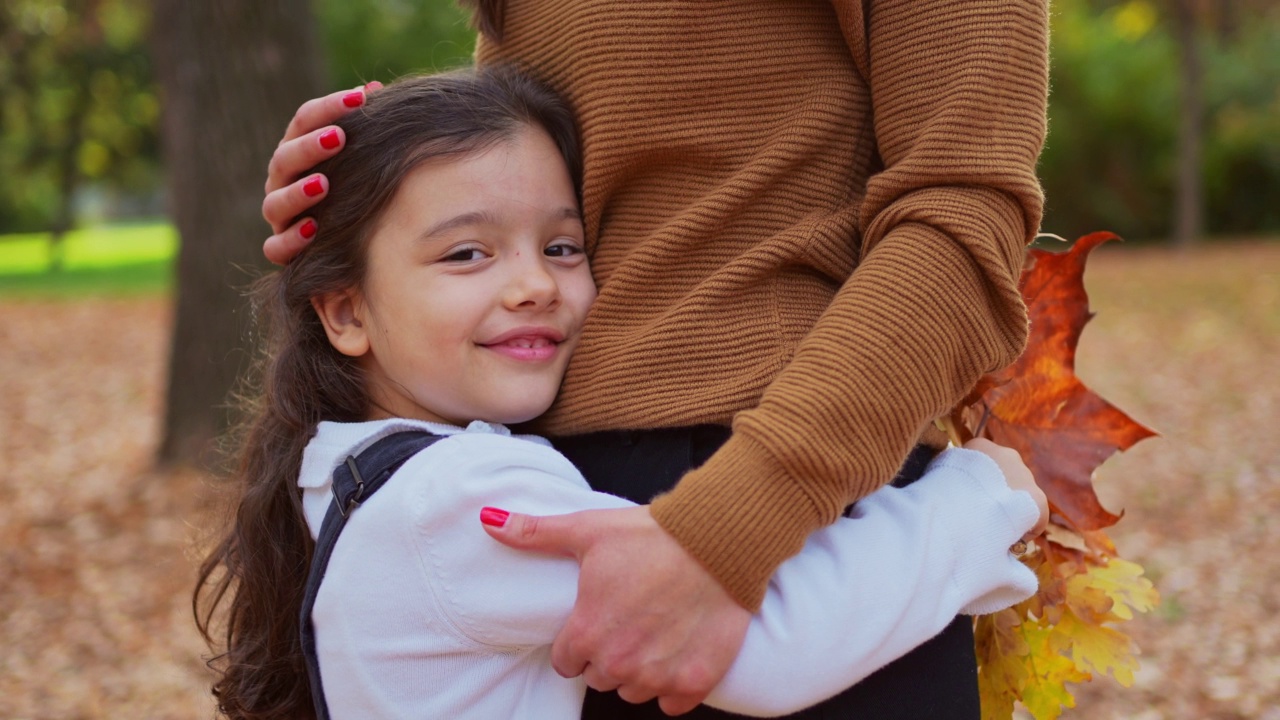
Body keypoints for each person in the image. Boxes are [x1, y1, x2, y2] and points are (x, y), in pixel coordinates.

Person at [259, 2, 1051, 716]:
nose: (532, 283)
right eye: (469, 253)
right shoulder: (462, 500)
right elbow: (780, 653)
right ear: (344, 310)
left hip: (776, 493)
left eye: (559, 249)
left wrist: (736, 519)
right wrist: (985, 498)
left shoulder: (361, 485)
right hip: (654, 543)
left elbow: (960, 199)